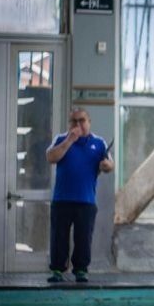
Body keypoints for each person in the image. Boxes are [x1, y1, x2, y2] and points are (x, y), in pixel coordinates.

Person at [46, 107, 114, 283]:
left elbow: (109, 163)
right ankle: (57, 270)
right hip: (61, 199)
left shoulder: (99, 143)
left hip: (86, 200)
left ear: (89, 122)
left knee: (83, 237)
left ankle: (81, 270)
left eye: (81, 120)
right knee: (58, 236)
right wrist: (70, 140)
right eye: (74, 121)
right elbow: (51, 157)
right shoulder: (61, 139)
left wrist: (106, 166)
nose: (78, 124)